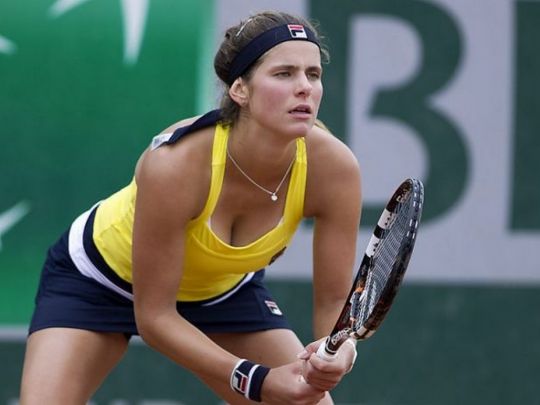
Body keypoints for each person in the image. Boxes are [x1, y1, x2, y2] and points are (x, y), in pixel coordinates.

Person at [20, 10, 362, 405]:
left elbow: (334, 302)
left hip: (222, 292)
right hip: (98, 282)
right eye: (284, 74)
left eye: (313, 74)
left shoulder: (334, 169)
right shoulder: (175, 163)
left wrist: (341, 349)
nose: (304, 88)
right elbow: (156, 318)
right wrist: (256, 380)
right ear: (240, 90)